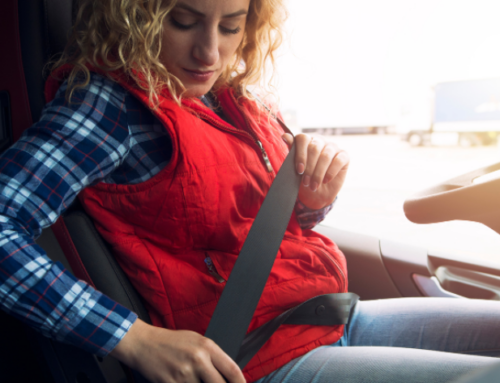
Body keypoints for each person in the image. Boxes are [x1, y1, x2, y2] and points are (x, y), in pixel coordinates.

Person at [1, 0, 500, 382]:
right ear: (139, 17)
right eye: (182, 20)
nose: (209, 51)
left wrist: (311, 202)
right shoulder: (112, 108)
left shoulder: (237, 100)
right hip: (254, 360)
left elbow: (243, 231)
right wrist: (131, 338)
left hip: (328, 316)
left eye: (231, 25)